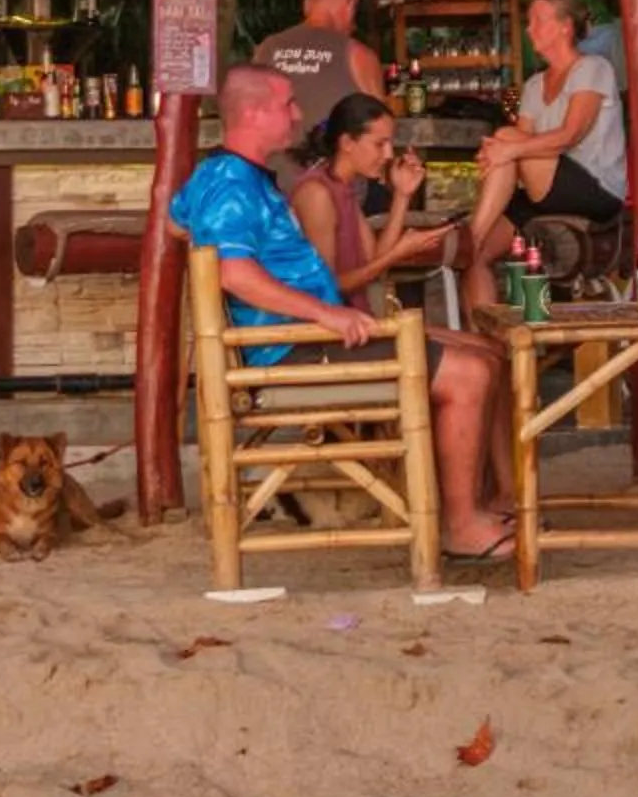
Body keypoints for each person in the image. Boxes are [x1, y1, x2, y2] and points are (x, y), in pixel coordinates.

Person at [171, 65, 512, 562]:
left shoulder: (229, 178)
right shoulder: (231, 182)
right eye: (287, 103)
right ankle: (459, 525)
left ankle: (468, 507)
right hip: (293, 352)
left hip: (301, 340)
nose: (299, 114)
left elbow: (176, 222)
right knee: (470, 373)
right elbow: (233, 273)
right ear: (254, 113)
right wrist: (326, 315)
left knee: (480, 353)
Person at [461, 0, 627, 269]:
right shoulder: (533, 85)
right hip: (544, 188)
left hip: (595, 189)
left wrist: (507, 149)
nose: (529, 29)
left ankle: (471, 236)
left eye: (538, 20)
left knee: (506, 138)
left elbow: (570, 135)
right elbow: (520, 143)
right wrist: (497, 156)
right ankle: (473, 258)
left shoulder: (594, 68)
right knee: (477, 259)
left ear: (565, 27)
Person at [289, 93, 455, 312]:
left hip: (356, 324)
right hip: (331, 334)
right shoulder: (316, 193)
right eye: (380, 144)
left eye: (389, 144)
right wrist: (397, 254)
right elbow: (327, 287)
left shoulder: (342, 186)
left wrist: (402, 195)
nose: (388, 154)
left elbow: (373, 259)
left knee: (478, 345)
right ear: (347, 142)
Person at [248, 0, 388, 144]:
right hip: (331, 170)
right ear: (350, 5)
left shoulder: (266, 49)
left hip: (270, 170)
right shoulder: (358, 55)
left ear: (307, 4)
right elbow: (382, 130)